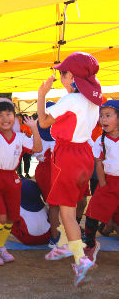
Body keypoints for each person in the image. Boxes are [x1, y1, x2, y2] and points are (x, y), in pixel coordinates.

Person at [37, 51, 102, 286]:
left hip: (68, 155)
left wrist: (41, 95)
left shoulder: (70, 100)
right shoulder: (94, 100)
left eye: (62, 74)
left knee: (66, 211)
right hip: (84, 153)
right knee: (73, 205)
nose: (60, 78)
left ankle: (80, 258)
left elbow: (43, 122)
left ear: (71, 76)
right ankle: (70, 244)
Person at [0, 98, 41, 266]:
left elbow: (37, 148)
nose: (5, 118)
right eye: (0, 115)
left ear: (15, 117)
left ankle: (0, 245)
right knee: (1, 216)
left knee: (11, 218)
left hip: (12, 179)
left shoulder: (20, 137)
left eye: (8, 114)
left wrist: (34, 128)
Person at [83, 100, 119, 265]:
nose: (103, 119)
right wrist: (103, 184)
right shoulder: (101, 140)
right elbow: (98, 162)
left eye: (108, 115)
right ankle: (90, 245)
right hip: (108, 181)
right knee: (92, 213)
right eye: (101, 116)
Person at [33, 102, 59, 247]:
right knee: (56, 205)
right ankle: (54, 237)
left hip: (44, 170)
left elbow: (34, 150)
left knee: (54, 204)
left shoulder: (37, 132)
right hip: (52, 170)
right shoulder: (59, 133)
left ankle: (54, 232)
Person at [11, 179, 51, 245]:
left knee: (10, 223)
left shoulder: (18, 208)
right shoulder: (44, 206)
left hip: (28, 239)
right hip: (47, 237)